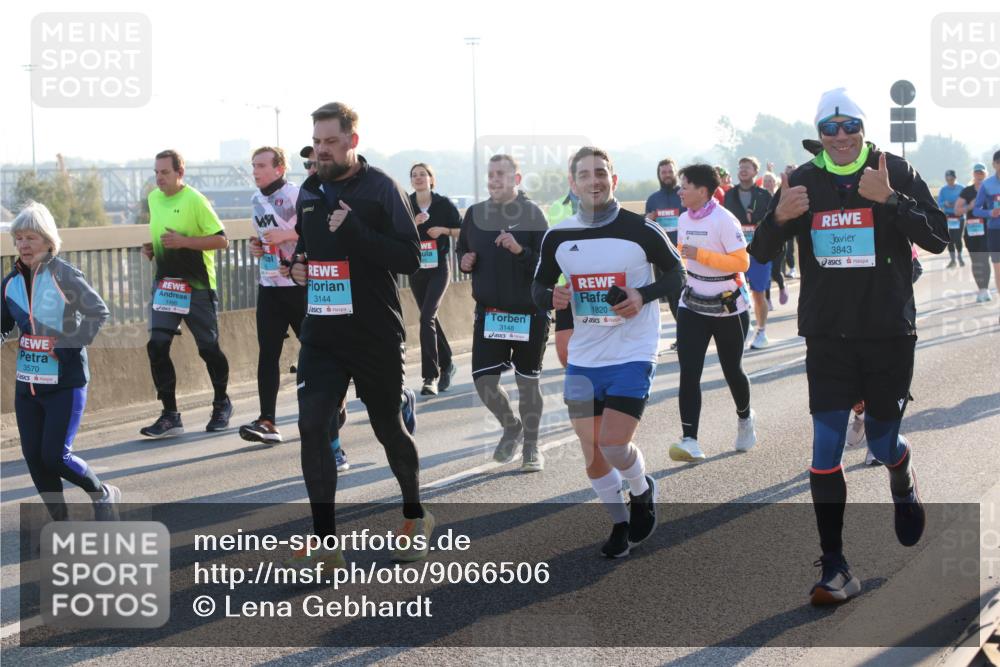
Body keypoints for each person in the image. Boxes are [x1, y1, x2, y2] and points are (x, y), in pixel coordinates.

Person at [749, 88, 947, 605]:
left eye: (849, 126)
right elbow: (759, 253)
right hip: (828, 335)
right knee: (825, 447)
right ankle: (835, 567)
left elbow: (938, 238)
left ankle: (900, 471)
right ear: (819, 134)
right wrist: (779, 218)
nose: (840, 136)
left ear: (863, 127)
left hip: (887, 333)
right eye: (829, 128)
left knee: (880, 443)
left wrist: (891, 200)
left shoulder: (892, 170)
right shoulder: (802, 181)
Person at [284, 102, 427, 566]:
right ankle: (326, 544)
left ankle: (415, 516)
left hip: (374, 332)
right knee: (312, 427)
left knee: (388, 428)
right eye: (316, 142)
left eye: (330, 141)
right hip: (322, 334)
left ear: (352, 141)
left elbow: (410, 258)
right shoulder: (309, 190)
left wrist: (357, 231)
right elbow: (306, 250)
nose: (321, 150)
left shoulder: (381, 187)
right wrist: (298, 267)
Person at [533, 146, 685, 557]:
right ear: (573, 183)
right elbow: (538, 287)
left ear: (613, 179)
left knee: (614, 444)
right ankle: (619, 522)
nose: (594, 180)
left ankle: (641, 489)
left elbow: (677, 274)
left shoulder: (642, 230)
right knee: (593, 452)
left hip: (633, 352)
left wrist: (642, 294)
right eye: (584, 174)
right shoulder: (558, 236)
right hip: (584, 357)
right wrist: (551, 297)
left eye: (601, 172)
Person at [2, 203, 121, 521]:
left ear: (47, 240)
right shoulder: (10, 283)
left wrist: (66, 346)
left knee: (55, 456)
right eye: (19, 238)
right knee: (34, 458)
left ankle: (102, 493)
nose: (23, 244)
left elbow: (97, 312)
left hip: (65, 382)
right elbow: (2, 326)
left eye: (30, 237)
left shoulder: (64, 275)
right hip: (28, 385)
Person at [457, 154, 549, 472]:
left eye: (501, 174)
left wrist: (520, 250)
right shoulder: (475, 214)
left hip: (529, 312)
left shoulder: (533, 214)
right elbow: (462, 248)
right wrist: (464, 261)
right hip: (490, 313)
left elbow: (548, 264)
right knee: (484, 381)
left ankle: (532, 448)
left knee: (527, 383)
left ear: (517, 179)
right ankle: (512, 426)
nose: (494, 180)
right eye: (491, 174)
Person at [139, 150, 232, 438]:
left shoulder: (195, 200)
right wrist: (155, 248)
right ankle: (170, 416)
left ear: (180, 173)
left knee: (208, 348)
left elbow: (222, 240)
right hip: (167, 286)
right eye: (156, 172)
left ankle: (222, 403)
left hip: (197, 287)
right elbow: (167, 236)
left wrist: (183, 242)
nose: (159, 178)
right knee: (157, 345)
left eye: (165, 172)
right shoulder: (154, 199)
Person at [670, 164, 757, 463]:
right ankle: (690, 440)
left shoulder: (724, 219)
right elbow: (684, 254)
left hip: (727, 305)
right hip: (692, 302)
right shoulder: (683, 218)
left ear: (703, 191)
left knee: (732, 370)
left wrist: (700, 255)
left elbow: (742, 263)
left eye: (685, 186)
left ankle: (745, 418)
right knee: (689, 371)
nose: (680, 192)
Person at [238, 146, 304, 446]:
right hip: (269, 284)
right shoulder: (255, 200)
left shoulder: (295, 195)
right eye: (253, 165)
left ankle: (335, 404)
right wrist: (257, 247)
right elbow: (265, 238)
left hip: (298, 285)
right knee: (267, 354)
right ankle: (267, 421)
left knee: (317, 350)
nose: (255, 171)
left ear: (279, 168)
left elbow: (316, 231)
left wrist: (286, 235)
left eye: (262, 165)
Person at [409, 162, 461, 395]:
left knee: (426, 317)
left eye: (423, 174)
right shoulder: (406, 204)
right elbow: (394, 231)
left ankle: (430, 376)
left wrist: (443, 230)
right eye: (414, 175)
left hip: (439, 268)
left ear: (431, 179)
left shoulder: (443, 204)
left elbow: (462, 230)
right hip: (416, 269)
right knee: (428, 320)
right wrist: (413, 224)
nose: (419, 178)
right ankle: (448, 363)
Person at [724, 157, 773, 349]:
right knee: (732, 292)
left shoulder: (764, 195)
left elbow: (773, 220)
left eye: (747, 167)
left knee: (758, 293)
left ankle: (761, 332)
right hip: (735, 252)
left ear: (755, 172)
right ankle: (742, 328)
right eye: (740, 167)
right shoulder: (729, 194)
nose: (743, 170)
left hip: (759, 251)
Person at [545, 186, 580, 368]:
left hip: (592, 284)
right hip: (564, 288)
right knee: (565, 352)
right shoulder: (556, 207)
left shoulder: (600, 206)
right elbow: (550, 244)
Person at [955, 163, 992, 302]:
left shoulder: (991, 189)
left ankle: (985, 289)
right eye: (977, 173)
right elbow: (957, 210)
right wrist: (969, 206)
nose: (979, 175)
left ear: (986, 174)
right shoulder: (967, 191)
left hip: (987, 230)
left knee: (984, 259)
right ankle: (981, 289)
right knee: (976, 260)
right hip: (971, 231)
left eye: (981, 173)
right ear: (973, 175)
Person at [971, 150, 1000, 324]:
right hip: (995, 231)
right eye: (999, 163)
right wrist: (990, 212)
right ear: (994, 164)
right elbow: (976, 210)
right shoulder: (987, 185)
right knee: (998, 269)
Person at [644, 158, 686, 247]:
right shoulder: (652, 200)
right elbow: (647, 229)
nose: (667, 175)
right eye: (663, 172)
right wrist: (647, 220)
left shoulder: (686, 195)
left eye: (670, 172)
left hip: (684, 248)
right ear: (658, 175)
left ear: (676, 173)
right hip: (661, 248)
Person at [938, 169, 966, 268]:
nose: (950, 181)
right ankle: (953, 260)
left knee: (957, 238)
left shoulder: (961, 188)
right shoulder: (943, 190)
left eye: (951, 179)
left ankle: (960, 257)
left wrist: (958, 205)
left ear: (955, 178)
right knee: (949, 239)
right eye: (948, 179)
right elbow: (939, 203)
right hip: (948, 217)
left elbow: (966, 201)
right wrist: (945, 203)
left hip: (959, 217)